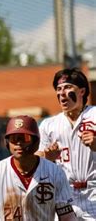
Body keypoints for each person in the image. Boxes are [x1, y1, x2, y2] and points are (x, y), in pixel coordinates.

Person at [0, 115, 76, 220]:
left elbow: (67, 217)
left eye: (25, 138)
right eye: (13, 138)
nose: (18, 142)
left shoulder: (55, 172)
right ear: (7, 142)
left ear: (36, 141)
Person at [36, 68, 96, 219]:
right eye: (58, 89)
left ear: (82, 91)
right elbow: (34, 160)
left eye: (68, 87)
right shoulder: (48, 124)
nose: (62, 93)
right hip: (65, 195)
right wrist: (46, 157)